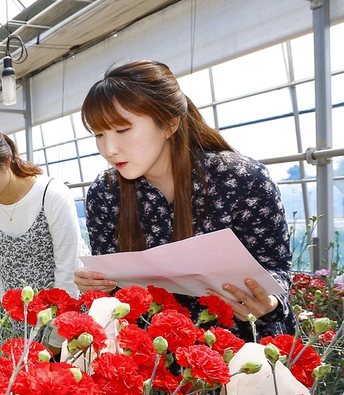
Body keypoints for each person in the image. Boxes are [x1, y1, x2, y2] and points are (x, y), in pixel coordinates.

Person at [74, 60, 296, 341]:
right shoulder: (105, 194)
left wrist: (269, 301)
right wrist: (98, 284)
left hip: (242, 345)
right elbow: (116, 285)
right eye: (99, 135)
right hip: (152, 353)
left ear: (169, 123)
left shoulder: (241, 179)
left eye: (122, 130)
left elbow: (276, 267)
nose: (109, 148)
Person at [0, 120, 83, 302]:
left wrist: (57, 323)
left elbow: (69, 268)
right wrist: (11, 310)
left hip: (67, 307)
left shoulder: (52, 195)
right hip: (20, 313)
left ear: (5, 161)